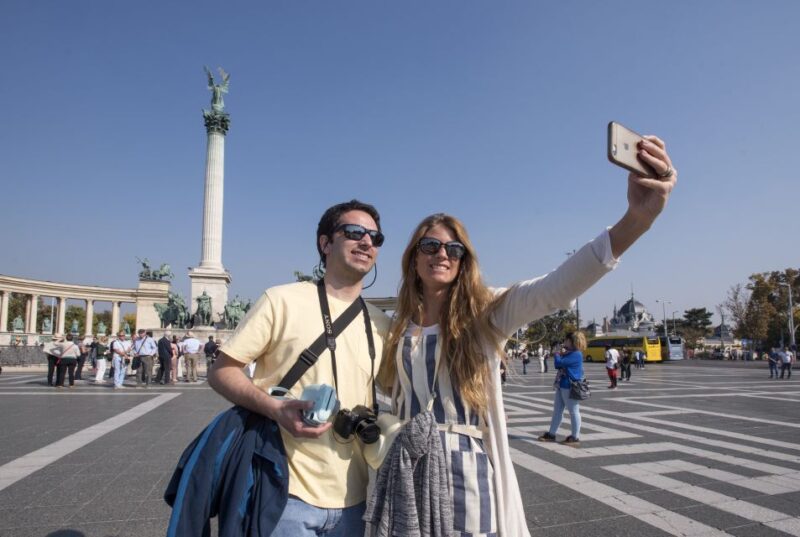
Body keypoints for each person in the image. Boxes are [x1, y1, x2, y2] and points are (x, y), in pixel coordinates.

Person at [376, 133, 676, 536]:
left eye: (454, 249)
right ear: (413, 257)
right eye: (429, 246)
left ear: (464, 262)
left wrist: (636, 222)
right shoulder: (395, 327)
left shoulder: (487, 311)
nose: (441, 254)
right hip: (406, 470)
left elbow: (556, 287)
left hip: (467, 472)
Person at [206, 200, 392, 535]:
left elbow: (406, 387)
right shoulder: (281, 300)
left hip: (354, 497)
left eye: (375, 238)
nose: (366, 242)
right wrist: (274, 408)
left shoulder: (380, 324)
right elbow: (221, 371)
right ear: (325, 243)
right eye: (354, 232)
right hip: (283, 490)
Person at [538, 332, 586, 446]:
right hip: (561, 384)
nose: (564, 342)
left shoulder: (576, 354)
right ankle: (551, 433)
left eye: (566, 340)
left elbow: (558, 364)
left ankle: (575, 436)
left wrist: (557, 354)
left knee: (574, 411)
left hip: (569, 386)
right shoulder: (569, 353)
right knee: (557, 411)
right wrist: (560, 353)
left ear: (571, 341)